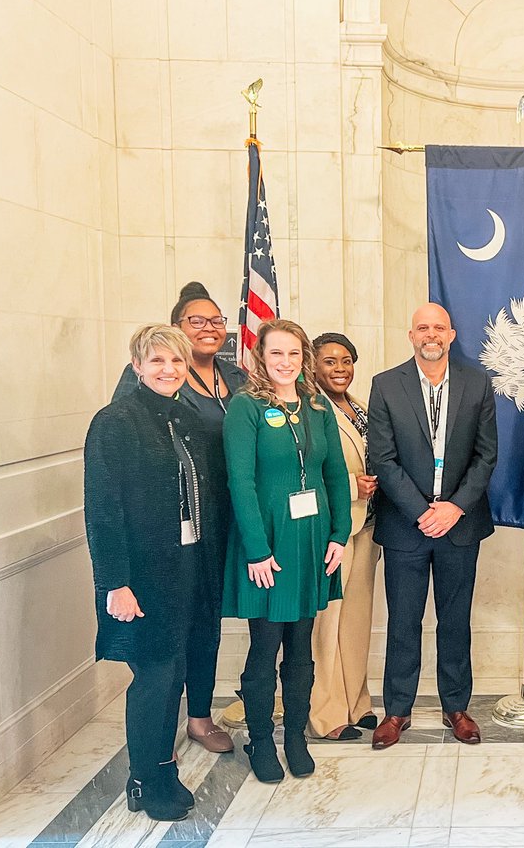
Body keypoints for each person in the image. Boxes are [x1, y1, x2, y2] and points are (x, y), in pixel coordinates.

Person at [85, 325, 225, 821]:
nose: (169, 371)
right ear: (138, 366)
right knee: (155, 677)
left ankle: (161, 767)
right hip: (142, 577)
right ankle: (146, 779)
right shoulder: (115, 422)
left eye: (177, 363)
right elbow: (103, 510)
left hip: (190, 568)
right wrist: (115, 584)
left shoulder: (185, 418)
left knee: (180, 671)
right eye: (158, 361)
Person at [111, 281, 245, 754]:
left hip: (219, 524)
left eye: (216, 321)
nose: (209, 328)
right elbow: (119, 477)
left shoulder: (238, 377)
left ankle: (200, 717)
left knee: (204, 624)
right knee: (163, 641)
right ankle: (154, 742)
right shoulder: (136, 398)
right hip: (162, 537)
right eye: (196, 321)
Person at [221, 319, 351, 783]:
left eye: (294, 354)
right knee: (266, 647)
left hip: (313, 541)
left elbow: (334, 473)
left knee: (302, 647)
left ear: (304, 358)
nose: (285, 362)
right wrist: (256, 550)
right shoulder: (246, 407)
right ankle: (261, 738)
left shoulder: (317, 407)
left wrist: (339, 533)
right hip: (268, 544)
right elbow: (242, 481)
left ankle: (294, 735)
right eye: (276, 353)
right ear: (261, 356)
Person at [366, 303, 498, 750]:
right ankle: (397, 710)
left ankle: (456, 707)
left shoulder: (477, 384)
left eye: (438, 327)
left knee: (455, 620)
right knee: (403, 621)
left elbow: (486, 456)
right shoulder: (385, 385)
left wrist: (455, 507)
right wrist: (422, 511)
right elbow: (382, 458)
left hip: (460, 525)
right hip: (406, 526)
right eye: (422, 327)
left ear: (452, 334)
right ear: (411, 334)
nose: (431, 334)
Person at [307, 333, 383, 742]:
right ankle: (327, 712)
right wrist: (352, 486)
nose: (340, 368)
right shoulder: (309, 408)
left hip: (367, 526)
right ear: (313, 365)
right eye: (330, 361)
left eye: (346, 361)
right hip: (332, 527)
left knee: (356, 619)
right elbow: (301, 472)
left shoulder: (357, 407)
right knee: (328, 622)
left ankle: (357, 702)